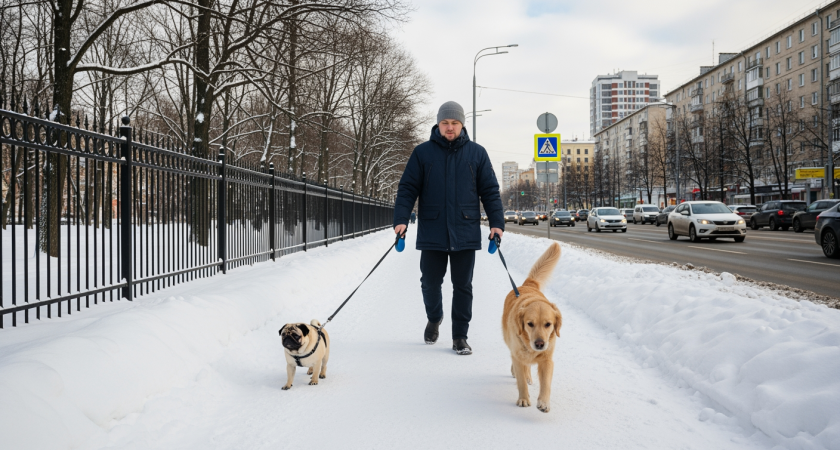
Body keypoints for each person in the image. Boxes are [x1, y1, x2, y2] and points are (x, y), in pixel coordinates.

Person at [392, 101, 504, 355]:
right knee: (430, 283)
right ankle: (434, 317)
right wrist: (401, 218)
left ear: (462, 124)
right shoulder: (423, 153)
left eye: (454, 123)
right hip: (433, 229)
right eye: (445, 123)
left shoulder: (477, 153)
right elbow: (408, 188)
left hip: (465, 230)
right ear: (438, 124)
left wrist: (497, 223)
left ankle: (460, 336)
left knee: (463, 285)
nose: (450, 127)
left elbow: (490, 191)